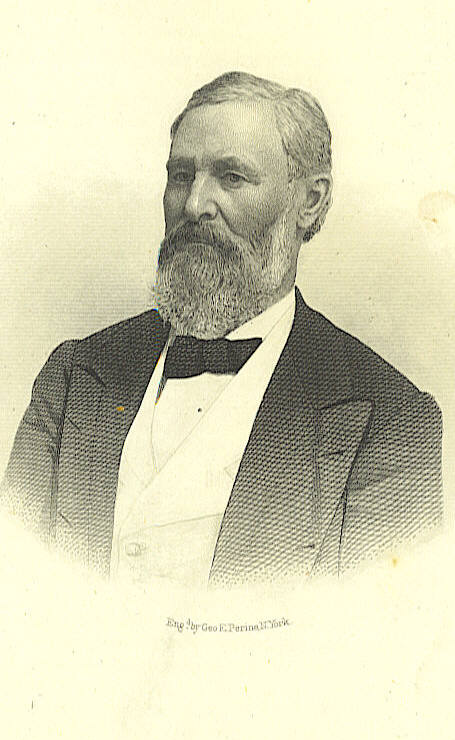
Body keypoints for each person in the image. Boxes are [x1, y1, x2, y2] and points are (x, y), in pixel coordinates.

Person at [1, 71, 443, 588]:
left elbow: (369, 628)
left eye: (231, 178)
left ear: (310, 201)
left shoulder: (392, 420)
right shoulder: (74, 376)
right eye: (181, 175)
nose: (194, 205)